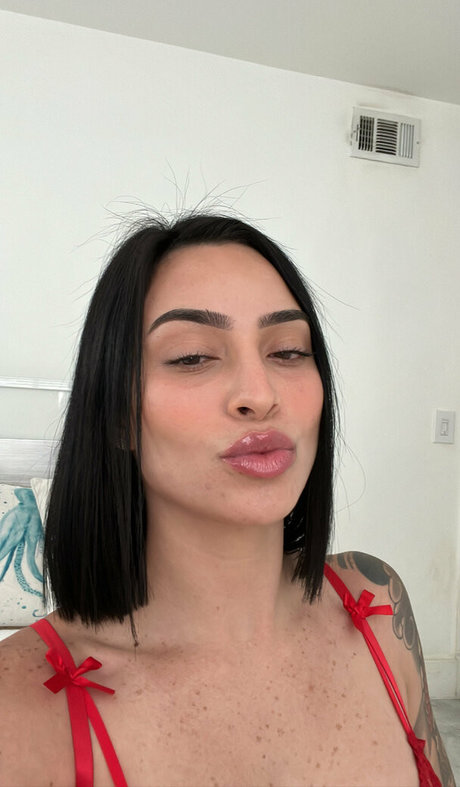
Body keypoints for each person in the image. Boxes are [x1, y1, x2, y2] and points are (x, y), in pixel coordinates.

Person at [0, 213, 454, 787]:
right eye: (192, 356)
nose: (260, 395)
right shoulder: (17, 707)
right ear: (116, 415)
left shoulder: (377, 605)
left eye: (288, 351)